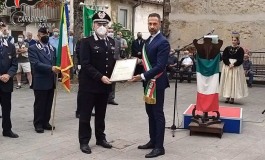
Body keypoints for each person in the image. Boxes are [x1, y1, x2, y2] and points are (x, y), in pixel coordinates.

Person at [130, 13, 170, 158]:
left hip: (157, 83)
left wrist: (141, 76)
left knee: (158, 114)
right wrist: (136, 62)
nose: (152, 26)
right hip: (148, 83)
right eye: (150, 24)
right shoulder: (148, 40)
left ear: (160, 24)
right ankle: (153, 141)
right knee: (150, 113)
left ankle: (159, 147)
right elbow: (148, 61)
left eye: (154, 24)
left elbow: (160, 66)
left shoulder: (163, 42)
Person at [78, 11, 116, 154]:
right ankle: (84, 141)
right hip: (89, 86)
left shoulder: (111, 42)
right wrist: (100, 76)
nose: (102, 26)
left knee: (101, 114)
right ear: (93, 25)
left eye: (104, 24)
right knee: (85, 115)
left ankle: (100, 138)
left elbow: (112, 63)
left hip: (104, 86)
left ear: (108, 26)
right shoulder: (86, 42)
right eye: (99, 23)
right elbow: (85, 64)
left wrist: (122, 72)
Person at [28, 27, 60, 133]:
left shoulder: (52, 48)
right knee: (40, 103)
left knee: (48, 103)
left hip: (51, 80)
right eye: (42, 34)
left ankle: (46, 122)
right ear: (38, 36)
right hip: (40, 80)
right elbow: (35, 64)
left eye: (47, 34)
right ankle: (38, 123)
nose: (45, 36)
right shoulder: (33, 48)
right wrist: (50, 68)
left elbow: (54, 63)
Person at [0, 20, 19, 138]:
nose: (1, 29)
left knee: (6, 109)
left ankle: (7, 130)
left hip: (6, 82)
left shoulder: (10, 46)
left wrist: (9, 74)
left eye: (2, 27)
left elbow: (14, 64)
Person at [219, 32, 248, 104]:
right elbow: (224, 57)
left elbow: (240, 59)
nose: (233, 41)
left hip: (236, 68)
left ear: (237, 41)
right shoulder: (227, 48)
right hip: (228, 67)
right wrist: (228, 64)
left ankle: (232, 97)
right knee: (227, 82)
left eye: (235, 40)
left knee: (234, 82)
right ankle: (227, 96)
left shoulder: (240, 49)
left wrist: (234, 64)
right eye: (232, 40)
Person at [107, 27, 118, 105]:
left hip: (116, 64)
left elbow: (119, 53)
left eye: (112, 31)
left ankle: (111, 98)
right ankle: (104, 97)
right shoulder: (104, 41)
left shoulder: (117, 42)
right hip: (107, 64)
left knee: (113, 82)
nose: (110, 33)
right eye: (109, 31)